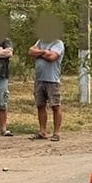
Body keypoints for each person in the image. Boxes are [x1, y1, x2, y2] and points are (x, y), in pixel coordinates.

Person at [29, 12, 65, 141]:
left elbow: (52, 57)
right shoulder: (40, 41)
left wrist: (40, 53)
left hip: (52, 80)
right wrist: (44, 51)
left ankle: (56, 133)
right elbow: (31, 51)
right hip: (39, 79)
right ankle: (42, 131)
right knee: (40, 105)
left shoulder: (58, 43)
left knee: (55, 106)